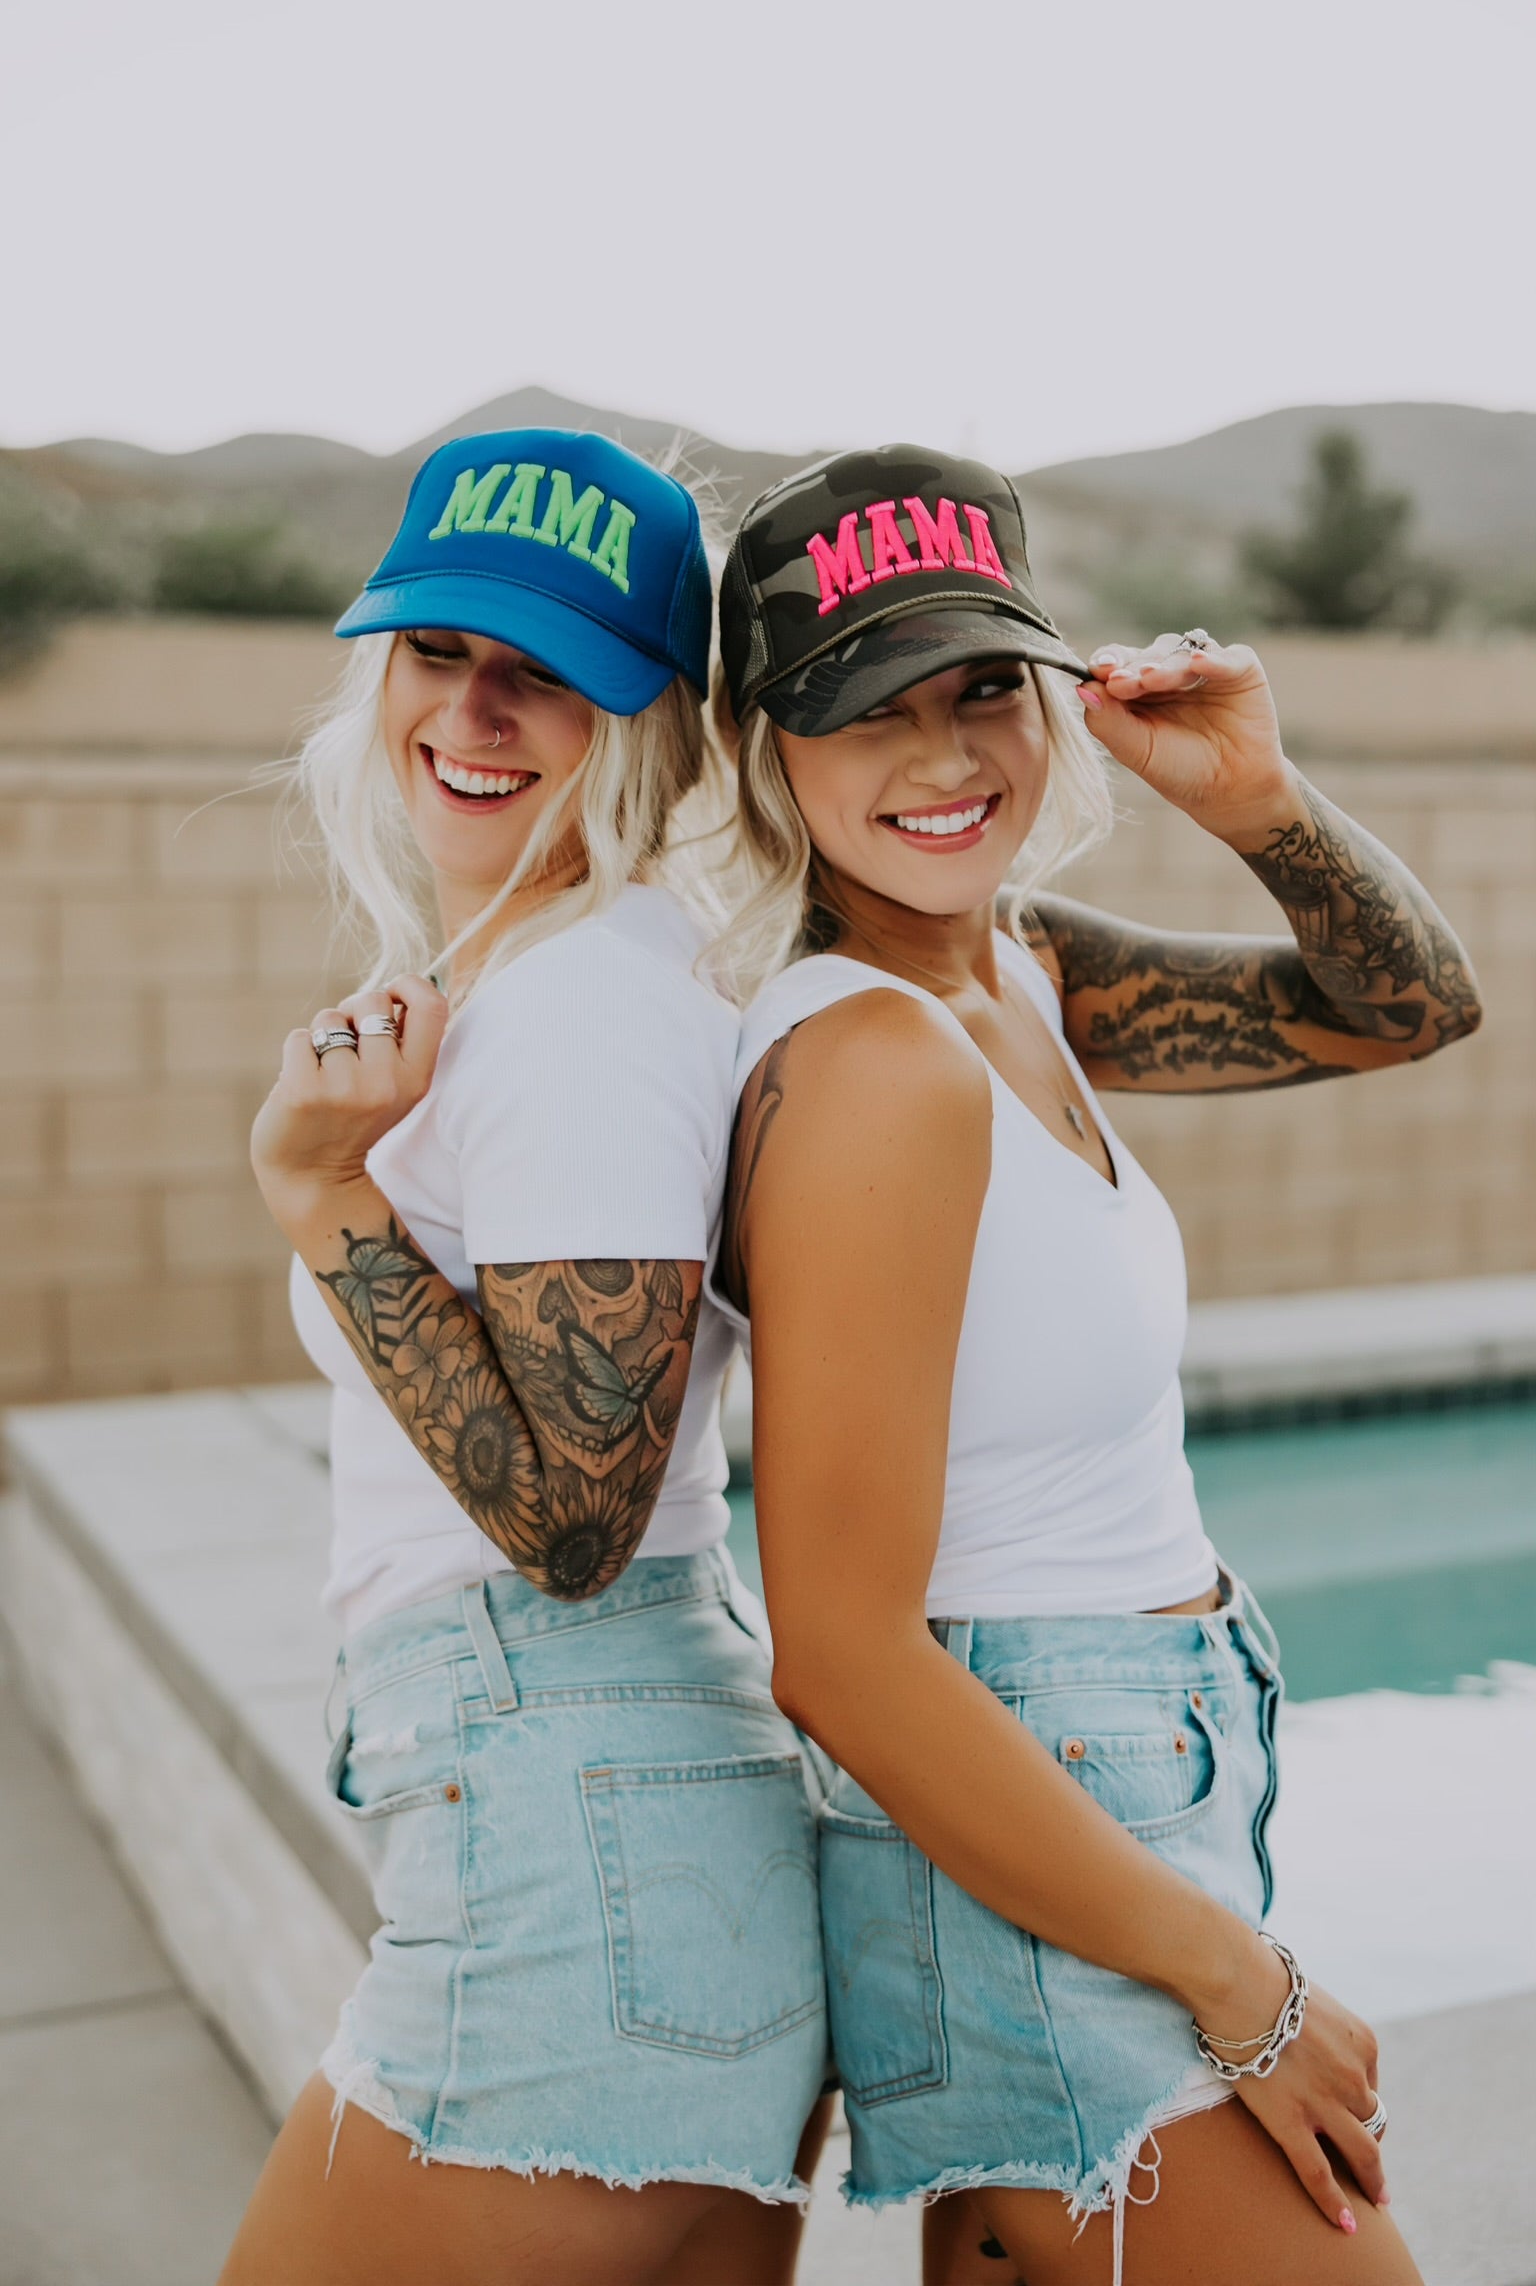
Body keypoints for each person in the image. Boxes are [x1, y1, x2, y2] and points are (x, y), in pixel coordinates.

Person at [711, 444, 1481, 2286]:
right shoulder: (880, 1062)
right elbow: (842, 1652)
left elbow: (1406, 1008)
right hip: (1052, 1817)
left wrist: (1256, 793)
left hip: (1110, 1798)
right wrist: (1242, 1985)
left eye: (985, 685)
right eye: (865, 708)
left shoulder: (1019, 974)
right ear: (765, 748)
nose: (945, 754)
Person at [220, 429, 829, 2286]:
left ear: (644, 720)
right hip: (625, 1827)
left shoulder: (578, 1004)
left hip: (574, 1826)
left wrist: (323, 1190)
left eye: (545, 670)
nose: (475, 709)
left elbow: (574, 1518)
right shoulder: (541, 973)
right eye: (435, 650)